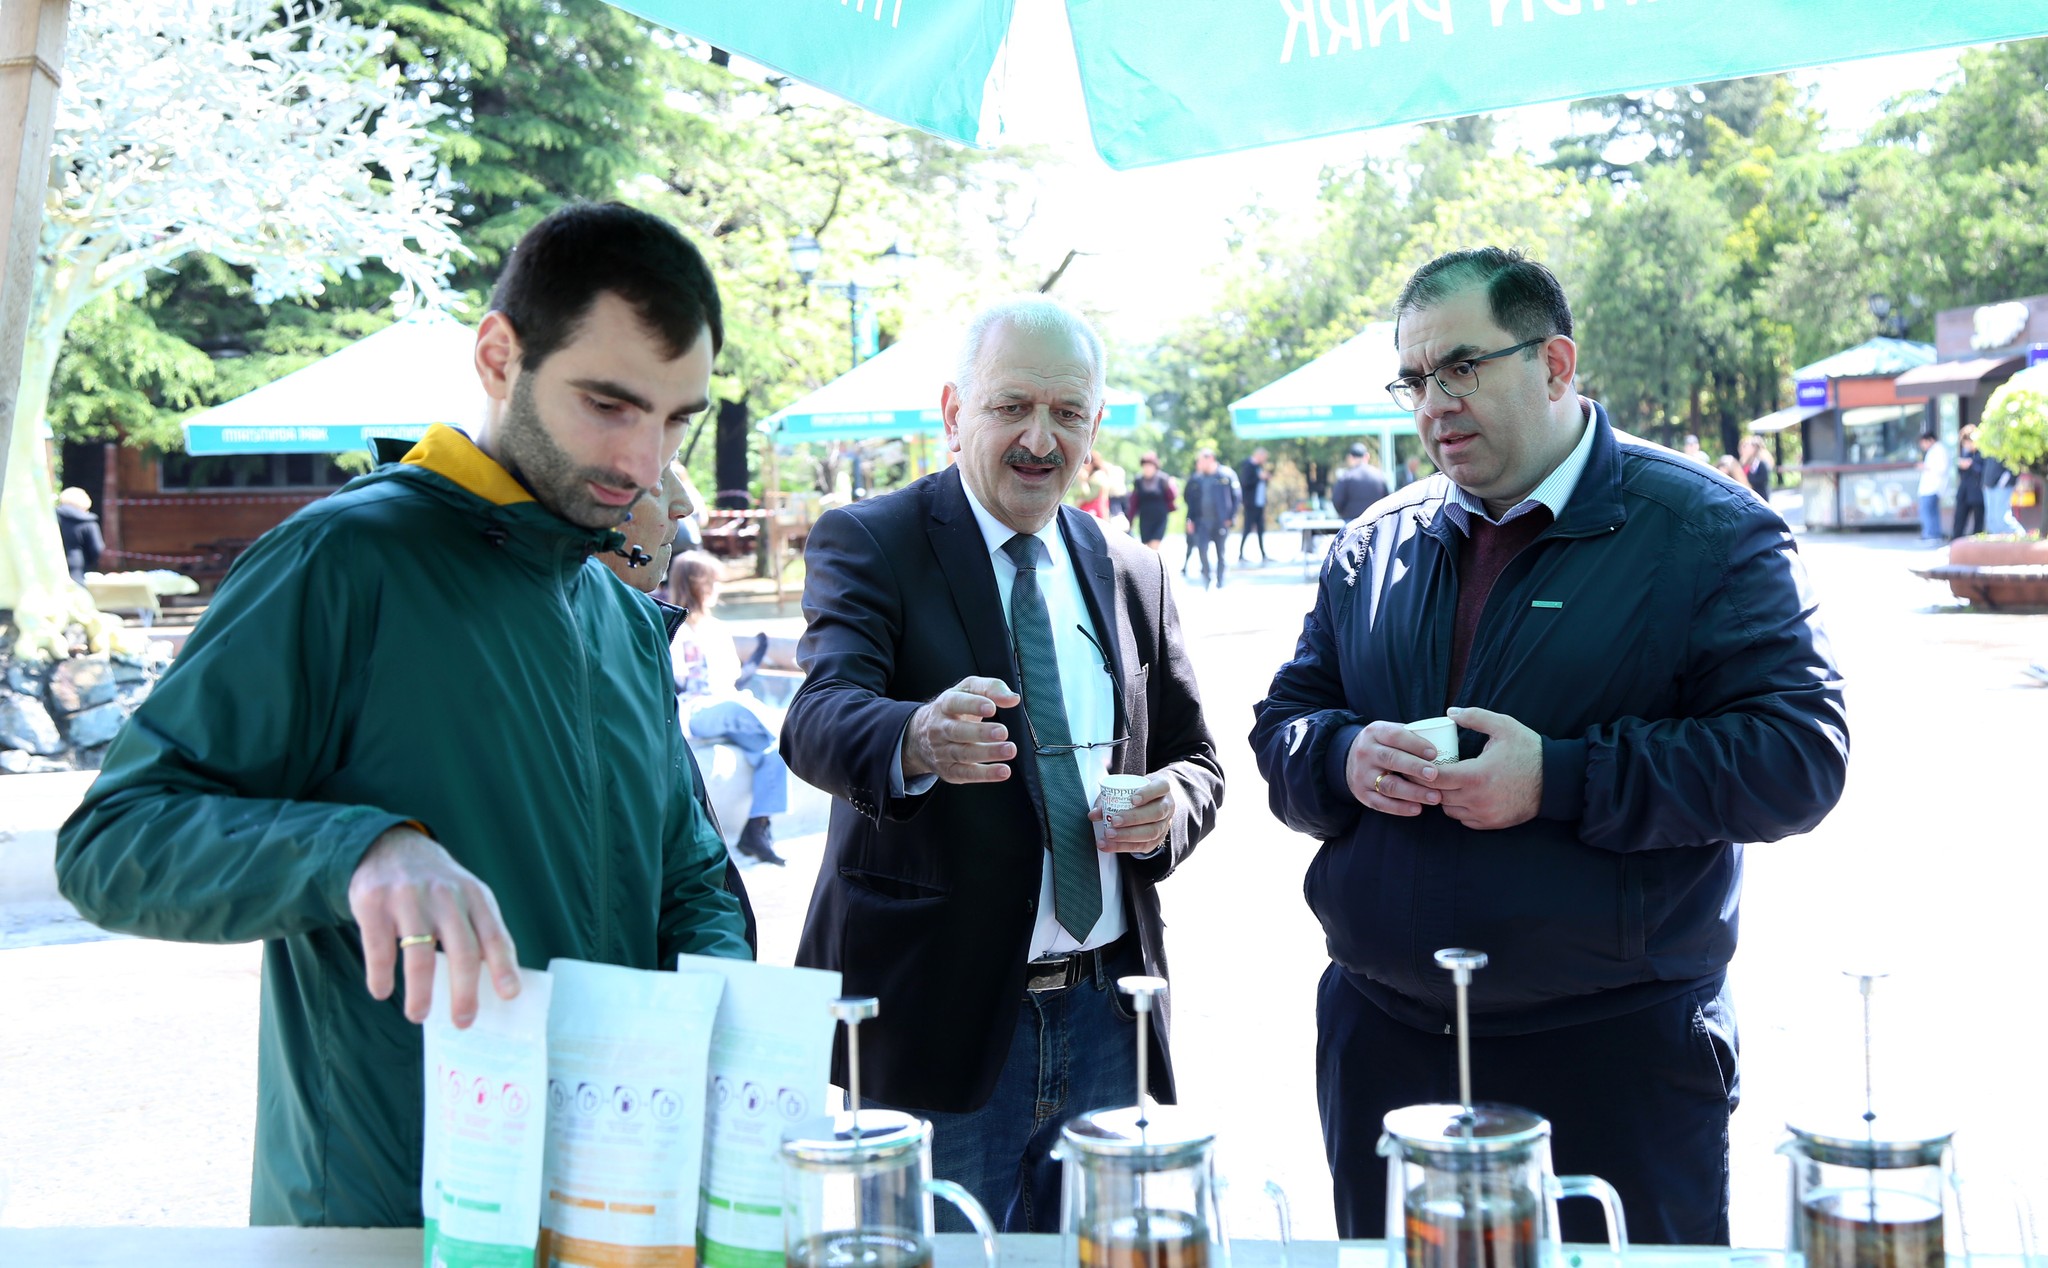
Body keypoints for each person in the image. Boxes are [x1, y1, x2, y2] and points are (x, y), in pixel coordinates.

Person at [55, 202, 751, 1227]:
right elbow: (110, 844)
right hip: (384, 1220)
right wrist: (358, 849)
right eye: (609, 404)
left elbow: (687, 875)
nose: (646, 463)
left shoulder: (615, 610)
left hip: (611, 1212)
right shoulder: (342, 557)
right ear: (498, 357)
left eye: (677, 418)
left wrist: (727, 1016)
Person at [1249, 247, 1848, 1247]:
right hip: (1385, 1046)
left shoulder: (1706, 530)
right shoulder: (1373, 543)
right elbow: (1284, 724)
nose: (1433, 404)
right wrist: (1339, 758)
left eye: (1461, 367)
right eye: (1413, 379)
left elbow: (1798, 756)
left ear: (1555, 363)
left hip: (1612, 1057)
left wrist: (1559, 778)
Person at [781, 295, 1224, 1234]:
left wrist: (1169, 805)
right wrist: (915, 736)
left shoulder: (1132, 569)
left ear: (1095, 429)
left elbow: (1197, 759)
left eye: (1067, 413)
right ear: (954, 413)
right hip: (937, 1020)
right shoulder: (873, 540)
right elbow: (816, 718)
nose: (1039, 438)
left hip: (1107, 1017)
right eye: (1012, 406)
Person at [599, 465, 761, 951]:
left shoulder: (642, 634)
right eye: (654, 471)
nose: (684, 506)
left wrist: (718, 964)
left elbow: (690, 869)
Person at [670, 548, 790, 867]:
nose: (716, 589)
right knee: (743, 709)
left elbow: (731, 676)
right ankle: (788, 728)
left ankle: (757, 829)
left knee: (773, 750)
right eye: (711, 582)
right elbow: (678, 680)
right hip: (696, 711)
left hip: (728, 706)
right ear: (695, 584)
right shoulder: (675, 628)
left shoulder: (717, 628)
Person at [1183, 447, 1238, 589]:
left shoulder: (1226, 475)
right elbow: (1189, 500)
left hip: (1220, 521)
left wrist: (1231, 516)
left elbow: (1236, 496)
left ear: (1211, 459)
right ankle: (1206, 577)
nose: (1199, 463)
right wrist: (1189, 519)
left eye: (1202, 460)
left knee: (1221, 552)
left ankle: (1220, 580)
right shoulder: (1197, 479)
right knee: (1202, 549)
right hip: (1202, 521)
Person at [55, 486, 105, 583]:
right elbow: (97, 549)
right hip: (77, 569)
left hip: (53, 567)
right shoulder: (88, 522)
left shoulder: (52, 517)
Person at [1330, 440, 1389, 521]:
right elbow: (1387, 499)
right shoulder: (1379, 476)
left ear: (1350, 457)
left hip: (1352, 522)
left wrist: (1344, 514)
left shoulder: (1346, 477)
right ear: (1367, 456)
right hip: (1375, 522)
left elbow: (1337, 501)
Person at [1131, 451, 1177, 550]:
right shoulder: (1138, 481)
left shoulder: (1163, 479)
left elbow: (1172, 497)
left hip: (1160, 518)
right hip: (1145, 519)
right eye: (1145, 466)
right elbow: (1134, 502)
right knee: (1146, 548)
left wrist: (1171, 485)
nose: (1147, 468)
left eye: (1150, 466)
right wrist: (1130, 519)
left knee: (1154, 546)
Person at [1952, 425, 1987, 540]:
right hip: (1964, 492)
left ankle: (1978, 544)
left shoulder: (1983, 453)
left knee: (1978, 522)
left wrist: (1971, 464)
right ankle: (1956, 542)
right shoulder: (1966, 453)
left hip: (1978, 492)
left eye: (1968, 442)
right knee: (1959, 519)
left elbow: (1983, 471)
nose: (1966, 446)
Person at [1237, 446, 1270, 564]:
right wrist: (1259, 477)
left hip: (1259, 504)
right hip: (1250, 504)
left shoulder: (1258, 467)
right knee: (1247, 529)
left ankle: (1263, 554)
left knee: (1261, 529)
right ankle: (1240, 554)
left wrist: (1265, 478)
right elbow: (1245, 483)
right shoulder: (1248, 466)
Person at [1918, 432, 1951, 543]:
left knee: (1928, 512)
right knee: (1931, 512)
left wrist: (1926, 467)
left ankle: (1931, 534)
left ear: (1930, 440)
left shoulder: (1939, 450)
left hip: (1933, 487)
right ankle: (1932, 534)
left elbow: (1942, 468)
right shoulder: (1934, 450)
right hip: (1930, 487)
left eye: (1924, 443)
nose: (1923, 446)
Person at [1739, 435, 1773, 499]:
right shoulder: (1744, 462)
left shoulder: (1760, 462)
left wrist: (1748, 482)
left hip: (1759, 495)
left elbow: (1763, 478)